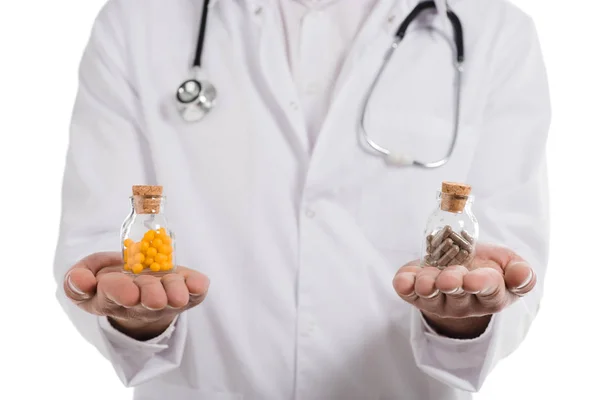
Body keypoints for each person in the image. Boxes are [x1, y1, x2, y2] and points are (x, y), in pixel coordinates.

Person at [53, 0, 551, 399]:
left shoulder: (496, 30)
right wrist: (135, 320)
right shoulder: (136, 22)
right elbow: (96, 242)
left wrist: (461, 320)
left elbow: (508, 247)